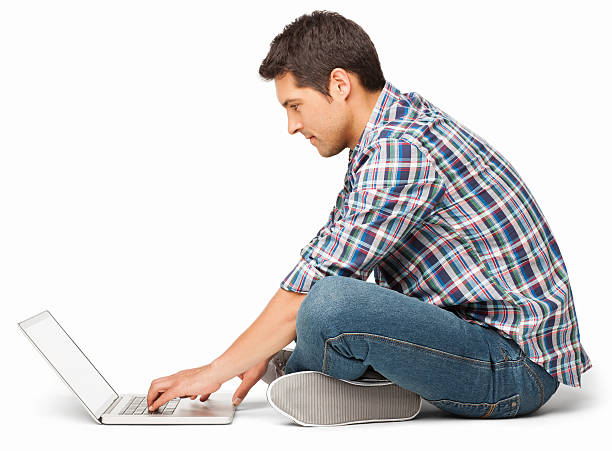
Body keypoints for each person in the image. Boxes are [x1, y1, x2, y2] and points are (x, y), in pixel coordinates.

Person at [146, 10, 591, 426]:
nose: (292, 126)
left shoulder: (400, 152)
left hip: (514, 368)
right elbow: (328, 253)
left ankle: (332, 377)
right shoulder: (384, 136)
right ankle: (332, 376)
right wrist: (262, 344)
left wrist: (216, 369)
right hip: (474, 342)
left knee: (329, 303)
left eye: (295, 105)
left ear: (339, 84)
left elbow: (318, 282)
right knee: (320, 304)